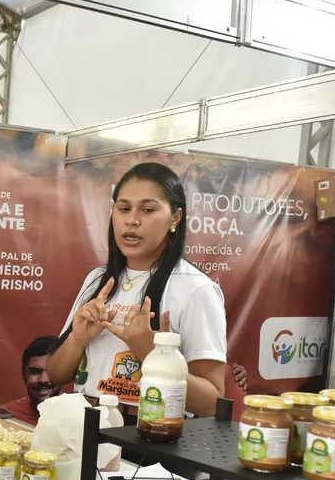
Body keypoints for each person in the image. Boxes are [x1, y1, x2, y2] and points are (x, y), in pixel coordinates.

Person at [46, 162, 227, 419]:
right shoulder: (98, 279)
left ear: (176, 217)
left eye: (148, 209)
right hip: (83, 428)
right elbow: (56, 374)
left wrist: (153, 353)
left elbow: (213, 403)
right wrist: (78, 338)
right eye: (123, 208)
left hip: (149, 441)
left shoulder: (196, 289)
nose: (131, 220)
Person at [1, 336, 63, 425]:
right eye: (35, 372)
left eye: (51, 371)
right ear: (24, 375)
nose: (43, 380)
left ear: (66, 374)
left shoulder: (80, 416)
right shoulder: (5, 417)